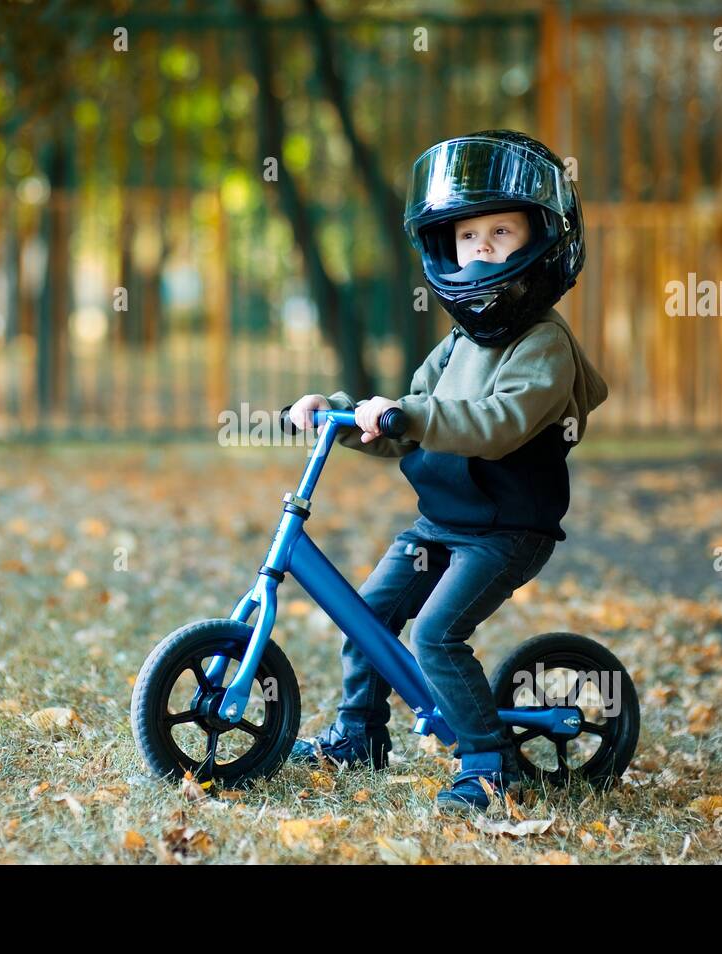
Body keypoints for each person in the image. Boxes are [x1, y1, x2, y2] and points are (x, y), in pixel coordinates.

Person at [283, 129, 609, 812]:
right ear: (445, 248)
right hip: (442, 523)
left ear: (543, 241)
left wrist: (410, 413)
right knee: (368, 617)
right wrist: (339, 414)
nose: (482, 246)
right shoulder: (456, 344)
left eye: (501, 231)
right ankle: (358, 736)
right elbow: (406, 428)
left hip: (505, 531)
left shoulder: (544, 346)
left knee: (435, 634)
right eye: (467, 237)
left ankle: (489, 763)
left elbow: (496, 426)